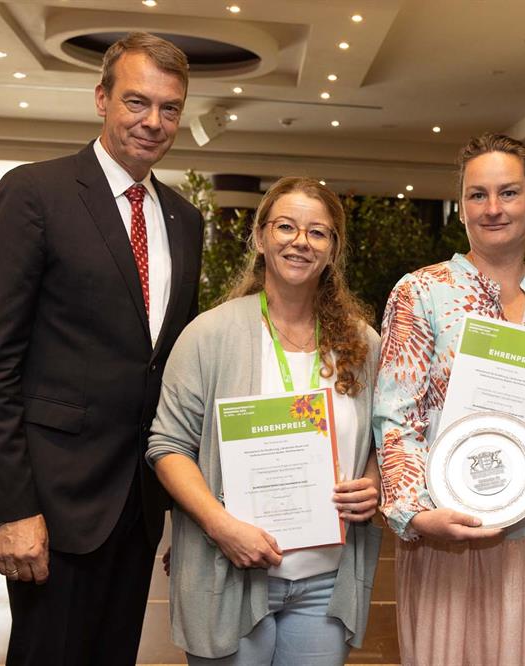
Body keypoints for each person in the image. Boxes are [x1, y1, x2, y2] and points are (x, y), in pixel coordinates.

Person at [0, 32, 203, 665]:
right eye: (136, 102)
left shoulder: (184, 219)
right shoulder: (34, 193)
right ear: (101, 99)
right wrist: (13, 508)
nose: (153, 121)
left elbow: (170, 371)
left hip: (140, 504)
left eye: (170, 108)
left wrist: (190, 507)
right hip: (53, 504)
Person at [373, 132, 525, 665]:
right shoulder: (421, 291)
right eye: (477, 195)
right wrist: (415, 516)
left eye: (509, 192)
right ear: (461, 208)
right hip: (447, 530)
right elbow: (395, 420)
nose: (493, 208)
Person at [146, 177, 383, 665]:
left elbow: (383, 438)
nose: (301, 242)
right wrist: (220, 526)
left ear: (333, 249)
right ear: (259, 237)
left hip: (325, 583)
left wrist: (374, 481)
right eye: (286, 227)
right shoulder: (208, 335)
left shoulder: (363, 345)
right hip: (230, 570)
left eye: (318, 232)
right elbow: (168, 446)